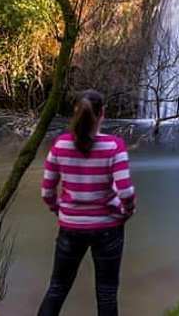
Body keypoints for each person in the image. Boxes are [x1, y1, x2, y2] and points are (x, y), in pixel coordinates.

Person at [37, 90, 136, 316]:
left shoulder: (60, 145)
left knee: (57, 288)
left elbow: (46, 191)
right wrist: (126, 211)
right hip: (108, 228)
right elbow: (126, 191)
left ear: (75, 113)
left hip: (70, 228)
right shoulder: (114, 146)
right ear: (103, 114)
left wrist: (59, 210)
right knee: (107, 293)